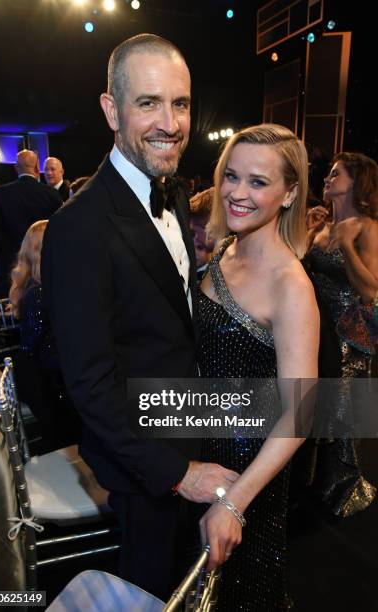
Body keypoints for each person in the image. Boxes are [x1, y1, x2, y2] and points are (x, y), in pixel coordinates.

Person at [41, 33, 238, 601]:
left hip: (190, 425)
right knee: (151, 591)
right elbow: (91, 385)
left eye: (180, 103)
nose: (170, 122)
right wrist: (178, 474)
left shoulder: (172, 193)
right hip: (143, 466)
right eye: (147, 103)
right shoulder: (78, 229)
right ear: (111, 110)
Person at [196, 124, 319, 610]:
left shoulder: (291, 285)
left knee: (241, 595)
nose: (237, 193)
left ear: (290, 193)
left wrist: (234, 502)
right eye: (232, 176)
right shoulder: (226, 249)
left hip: (249, 470)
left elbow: (302, 415)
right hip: (201, 446)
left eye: (258, 182)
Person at [305, 151, 378, 517]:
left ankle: (346, 487)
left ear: (356, 182)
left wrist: (347, 246)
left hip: (349, 332)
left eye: (336, 174)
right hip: (318, 330)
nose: (327, 179)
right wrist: (308, 231)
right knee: (322, 407)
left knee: (343, 408)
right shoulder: (322, 225)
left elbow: (370, 290)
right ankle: (320, 481)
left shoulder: (366, 227)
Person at [9, 220, 81, 452]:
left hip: (54, 367)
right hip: (42, 375)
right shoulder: (38, 292)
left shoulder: (49, 284)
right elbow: (34, 346)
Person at [0, 150, 62, 297]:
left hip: (11, 268)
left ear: (16, 167)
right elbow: (60, 231)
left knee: (12, 313)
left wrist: (5, 256)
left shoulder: (0, 194)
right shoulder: (51, 194)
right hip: (45, 268)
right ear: (36, 167)